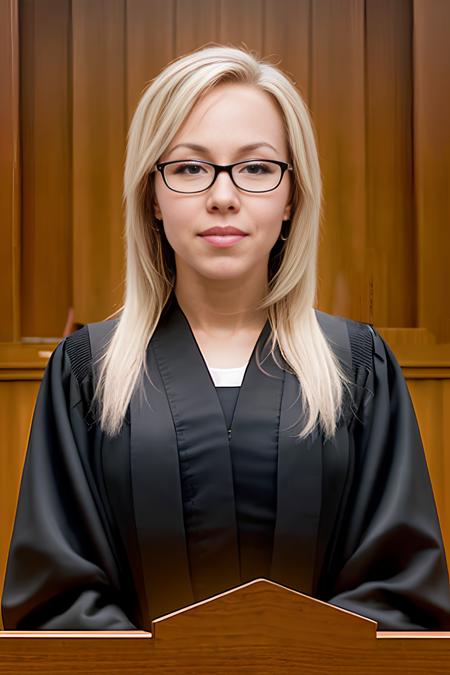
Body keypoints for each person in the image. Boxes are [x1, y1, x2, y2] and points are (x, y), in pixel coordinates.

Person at [2, 45, 450, 632]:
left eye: (257, 167)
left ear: (292, 197)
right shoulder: (88, 372)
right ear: (152, 197)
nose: (223, 195)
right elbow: (55, 601)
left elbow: (401, 592)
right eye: (189, 167)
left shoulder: (357, 368)